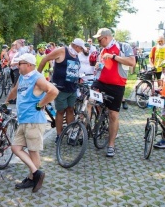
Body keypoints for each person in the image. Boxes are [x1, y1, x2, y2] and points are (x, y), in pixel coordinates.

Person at [3, 53, 58, 192]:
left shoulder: (37, 78)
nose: (17, 66)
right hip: (23, 120)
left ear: (28, 65)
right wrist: (6, 102)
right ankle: (35, 173)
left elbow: (53, 91)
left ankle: (32, 178)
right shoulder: (22, 77)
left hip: (34, 121)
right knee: (16, 148)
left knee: (33, 152)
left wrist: (40, 104)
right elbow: (15, 91)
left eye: (20, 64)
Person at [92, 28, 135, 157]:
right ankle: (92, 124)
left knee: (113, 115)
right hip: (101, 82)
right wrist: (97, 66)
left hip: (117, 85)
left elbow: (132, 62)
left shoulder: (123, 46)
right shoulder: (102, 50)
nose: (98, 43)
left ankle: (111, 145)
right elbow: (102, 65)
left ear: (105, 38)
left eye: (99, 40)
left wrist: (114, 57)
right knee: (89, 100)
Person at [37, 38, 84, 142]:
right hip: (61, 88)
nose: (81, 50)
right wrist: (37, 76)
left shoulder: (76, 54)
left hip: (72, 88)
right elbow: (45, 59)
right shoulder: (62, 51)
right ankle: (59, 135)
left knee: (70, 109)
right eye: (81, 48)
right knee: (60, 111)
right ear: (76, 46)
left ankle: (70, 133)